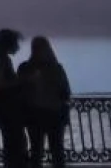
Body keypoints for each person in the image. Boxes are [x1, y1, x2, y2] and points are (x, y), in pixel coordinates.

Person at [18, 36, 71, 168]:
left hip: (39, 114)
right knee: (55, 151)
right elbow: (66, 92)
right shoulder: (56, 68)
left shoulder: (25, 68)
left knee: (39, 151)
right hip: (50, 113)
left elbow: (19, 90)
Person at [0, 28, 28, 168]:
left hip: (4, 108)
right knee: (15, 144)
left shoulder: (0, 58)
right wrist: (21, 81)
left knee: (15, 143)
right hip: (5, 109)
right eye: (15, 43)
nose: (18, 46)